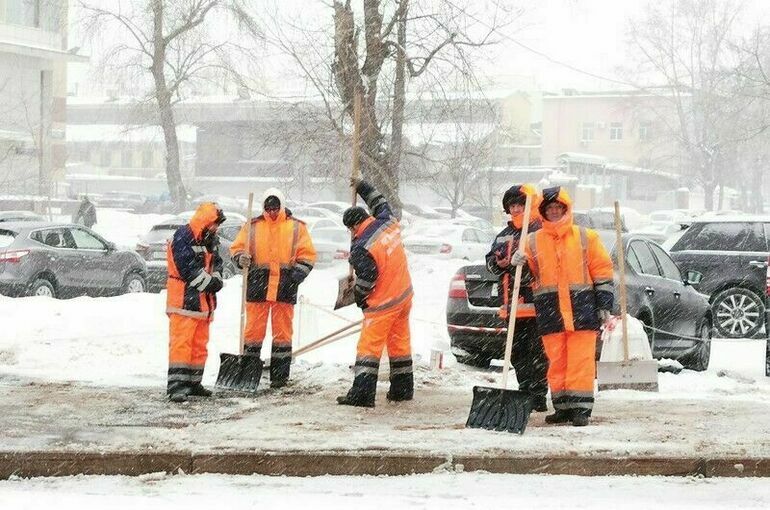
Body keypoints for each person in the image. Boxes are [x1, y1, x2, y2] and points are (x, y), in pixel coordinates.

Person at [512, 186, 614, 426]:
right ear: (543, 212)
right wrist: (519, 264)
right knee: (556, 361)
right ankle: (562, 406)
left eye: (558, 208)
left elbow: (602, 271)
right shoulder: (533, 240)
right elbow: (528, 278)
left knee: (580, 360)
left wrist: (604, 304)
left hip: (582, 309)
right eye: (550, 209)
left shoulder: (585, 236)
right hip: (550, 310)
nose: (555, 212)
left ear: (566, 209)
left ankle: (581, 408)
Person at [337, 179, 413, 408]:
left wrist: (359, 296)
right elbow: (378, 201)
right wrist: (361, 186)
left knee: (368, 350)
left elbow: (368, 279)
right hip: (404, 295)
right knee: (399, 344)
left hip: (382, 305)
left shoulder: (361, 246)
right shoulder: (387, 221)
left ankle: (362, 394)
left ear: (352, 227)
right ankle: (402, 389)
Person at [230, 188, 316, 388]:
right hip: (258, 286)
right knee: (252, 333)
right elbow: (236, 248)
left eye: (275, 208)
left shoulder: (296, 227)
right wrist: (239, 258)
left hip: (285, 287)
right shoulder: (252, 227)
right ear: (263, 207)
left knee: (283, 335)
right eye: (268, 208)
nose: (272, 212)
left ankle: (280, 377)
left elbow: (308, 254)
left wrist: (298, 273)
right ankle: (249, 374)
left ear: (282, 206)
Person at [485, 184, 549, 412]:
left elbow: (546, 267)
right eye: (512, 205)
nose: (515, 209)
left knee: (538, 353)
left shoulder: (539, 232)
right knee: (517, 353)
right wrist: (502, 264)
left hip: (537, 305)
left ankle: (538, 395)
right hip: (511, 305)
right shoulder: (503, 236)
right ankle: (524, 390)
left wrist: (527, 265)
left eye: (520, 205)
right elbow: (491, 264)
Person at [166, 202, 226, 403]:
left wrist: (216, 278)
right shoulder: (183, 237)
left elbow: (217, 262)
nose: (216, 229)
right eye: (215, 225)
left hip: (202, 304)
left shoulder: (210, 239)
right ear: (206, 222)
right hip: (183, 301)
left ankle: (193, 383)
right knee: (181, 344)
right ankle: (176, 386)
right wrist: (210, 283)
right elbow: (187, 268)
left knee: (199, 345)